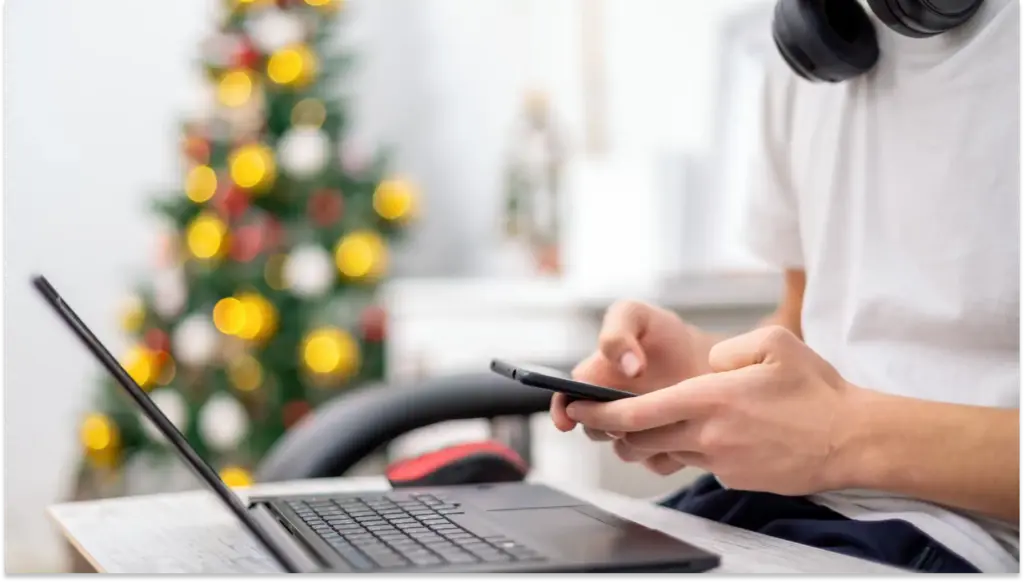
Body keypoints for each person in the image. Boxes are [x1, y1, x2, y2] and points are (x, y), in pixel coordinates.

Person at [550, 0, 1020, 574]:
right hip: (773, 510)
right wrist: (703, 369)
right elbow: (807, 322)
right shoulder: (810, 42)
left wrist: (839, 437)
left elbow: (833, 419)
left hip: (967, 542)